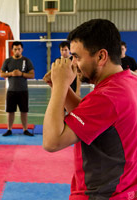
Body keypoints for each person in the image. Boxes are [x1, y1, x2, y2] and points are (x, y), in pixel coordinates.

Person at [43, 19, 137, 199]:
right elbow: (93, 117)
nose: (74, 63)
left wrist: (61, 85)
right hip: (124, 189)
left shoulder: (107, 97)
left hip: (100, 194)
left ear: (101, 56)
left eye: (77, 57)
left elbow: (51, 142)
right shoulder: (129, 81)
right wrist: (57, 86)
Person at [0, 41, 35, 137]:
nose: (17, 51)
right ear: (12, 50)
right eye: (15, 49)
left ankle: (25, 129)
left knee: (24, 111)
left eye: (19, 49)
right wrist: (11, 74)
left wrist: (22, 74)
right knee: (10, 111)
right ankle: (9, 129)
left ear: (22, 50)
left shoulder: (26, 61)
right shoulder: (7, 61)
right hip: (11, 90)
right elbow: (1, 74)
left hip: (23, 90)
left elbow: (32, 75)